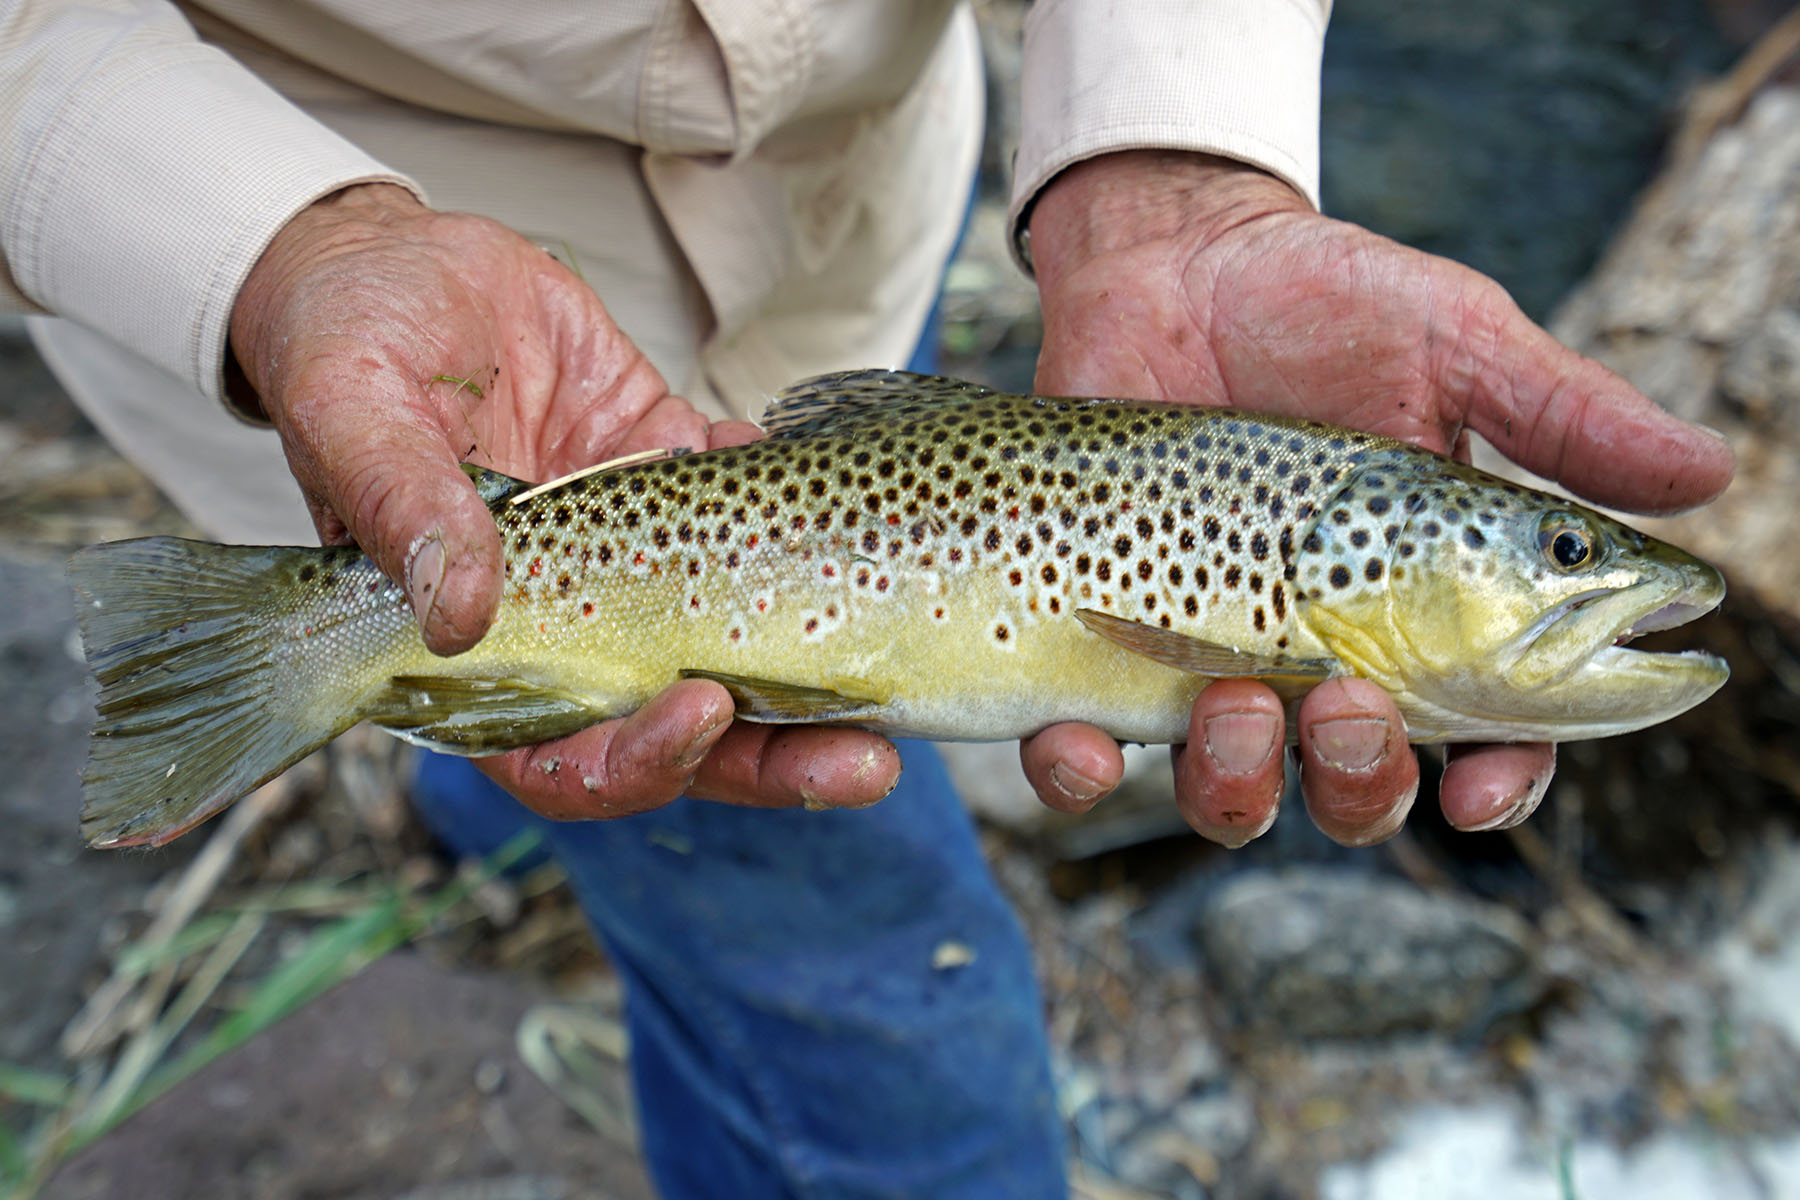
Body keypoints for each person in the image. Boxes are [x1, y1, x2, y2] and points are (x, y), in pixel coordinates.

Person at [3, 1, 1733, 1195]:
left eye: (1563, 558)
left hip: (855, 222)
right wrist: (282, 247)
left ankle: (480, 767)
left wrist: (1173, 156)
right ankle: (398, 698)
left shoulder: (1291, 531)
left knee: (566, 720)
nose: (1590, 580)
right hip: (394, 333)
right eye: (1562, 558)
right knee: (902, 1017)